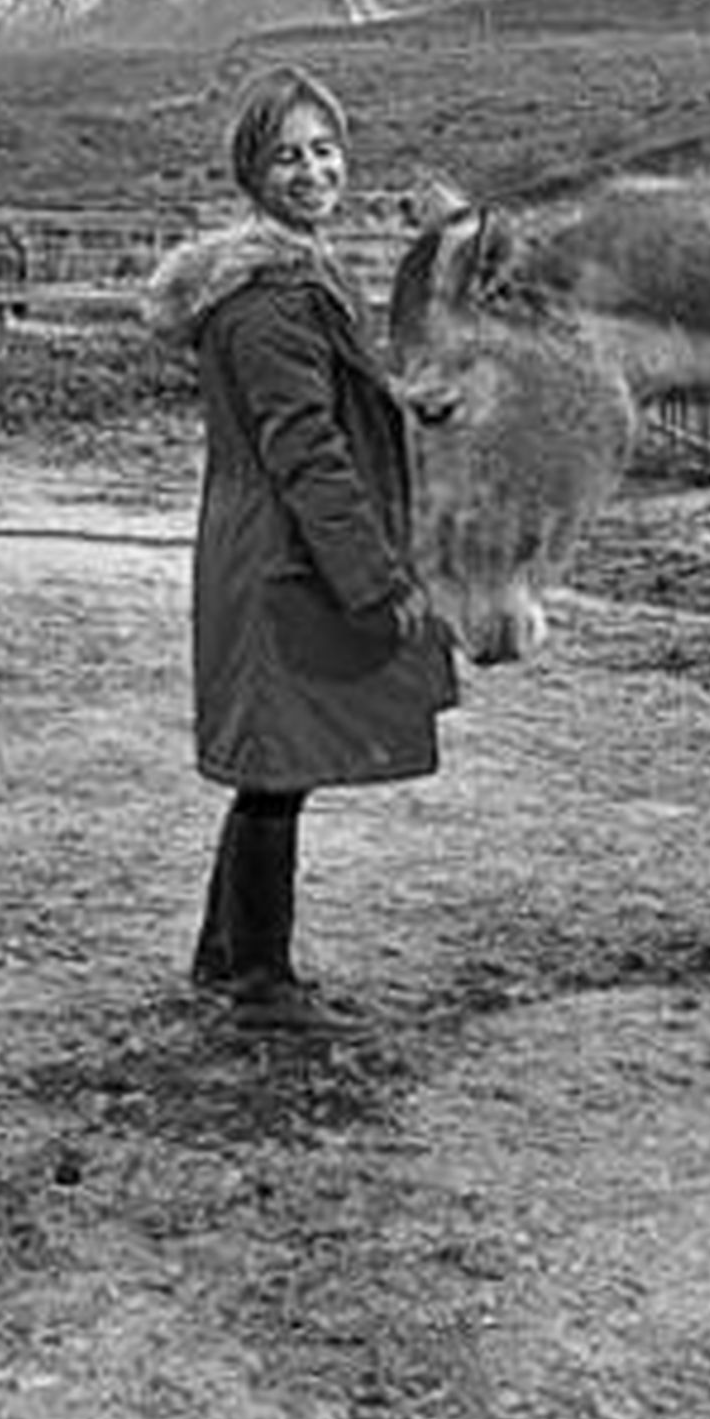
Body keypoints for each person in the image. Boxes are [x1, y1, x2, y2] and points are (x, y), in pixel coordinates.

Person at [145, 66, 457, 1031]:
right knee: (276, 772)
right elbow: (303, 447)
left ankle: (225, 954)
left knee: (272, 764)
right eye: (287, 155)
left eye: (324, 150)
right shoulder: (273, 295)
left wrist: (405, 401)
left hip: (269, 541)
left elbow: (335, 404)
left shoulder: (296, 272)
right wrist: (372, 576)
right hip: (283, 547)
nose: (312, 170)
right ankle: (262, 984)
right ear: (253, 172)